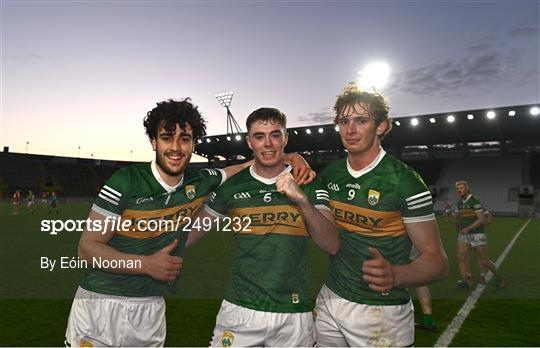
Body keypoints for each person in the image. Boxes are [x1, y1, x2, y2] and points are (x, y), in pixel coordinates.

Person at [64, 99, 313, 347]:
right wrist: (147, 265)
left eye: (184, 138)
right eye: (166, 137)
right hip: (100, 303)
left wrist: (288, 156)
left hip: (151, 307)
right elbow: (87, 248)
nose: (176, 147)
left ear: (193, 144)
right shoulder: (126, 181)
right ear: (153, 142)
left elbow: (242, 167)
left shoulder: (201, 180)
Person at [186, 107, 340, 347]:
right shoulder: (231, 187)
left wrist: (301, 201)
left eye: (275, 135)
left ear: (285, 138)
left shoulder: (308, 183)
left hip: (293, 313)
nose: (268, 144)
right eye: (259, 136)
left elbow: (332, 244)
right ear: (249, 142)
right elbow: (191, 234)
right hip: (239, 310)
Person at [314, 82, 448, 347]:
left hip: (381, 313)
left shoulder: (405, 181)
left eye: (361, 120)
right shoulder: (331, 174)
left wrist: (396, 275)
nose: (350, 129)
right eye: (344, 121)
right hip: (330, 300)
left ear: (381, 126)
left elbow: (438, 262)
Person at [455, 181, 505, 289]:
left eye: (461, 188)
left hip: (477, 234)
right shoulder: (459, 203)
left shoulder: (475, 201)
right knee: (461, 257)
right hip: (464, 235)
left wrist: (468, 228)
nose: (459, 190)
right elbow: (460, 217)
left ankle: (499, 278)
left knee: (484, 260)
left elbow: (482, 218)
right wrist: (459, 228)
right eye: (458, 188)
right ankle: (465, 280)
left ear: (467, 189)